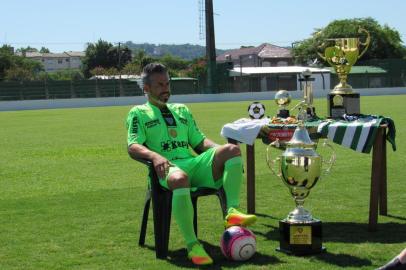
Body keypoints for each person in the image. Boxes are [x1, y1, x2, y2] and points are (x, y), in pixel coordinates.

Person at [126, 63, 257, 265]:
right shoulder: (138, 113)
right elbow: (133, 146)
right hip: (166, 170)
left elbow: (200, 142)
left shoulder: (182, 110)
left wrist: (223, 155)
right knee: (181, 178)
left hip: (193, 163)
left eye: (167, 83)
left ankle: (231, 212)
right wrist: (155, 157)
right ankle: (192, 245)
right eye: (160, 85)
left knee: (231, 150)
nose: (166, 89)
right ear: (146, 88)